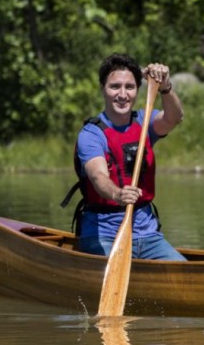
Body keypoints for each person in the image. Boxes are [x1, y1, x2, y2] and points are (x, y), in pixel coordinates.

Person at [62, 53, 187, 261]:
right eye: (115, 87)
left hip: (148, 235)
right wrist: (118, 194)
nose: (122, 94)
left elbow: (175, 118)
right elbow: (98, 177)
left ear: (137, 90)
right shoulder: (91, 134)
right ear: (103, 89)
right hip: (103, 234)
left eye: (129, 87)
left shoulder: (145, 122)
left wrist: (165, 87)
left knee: (182, 271)